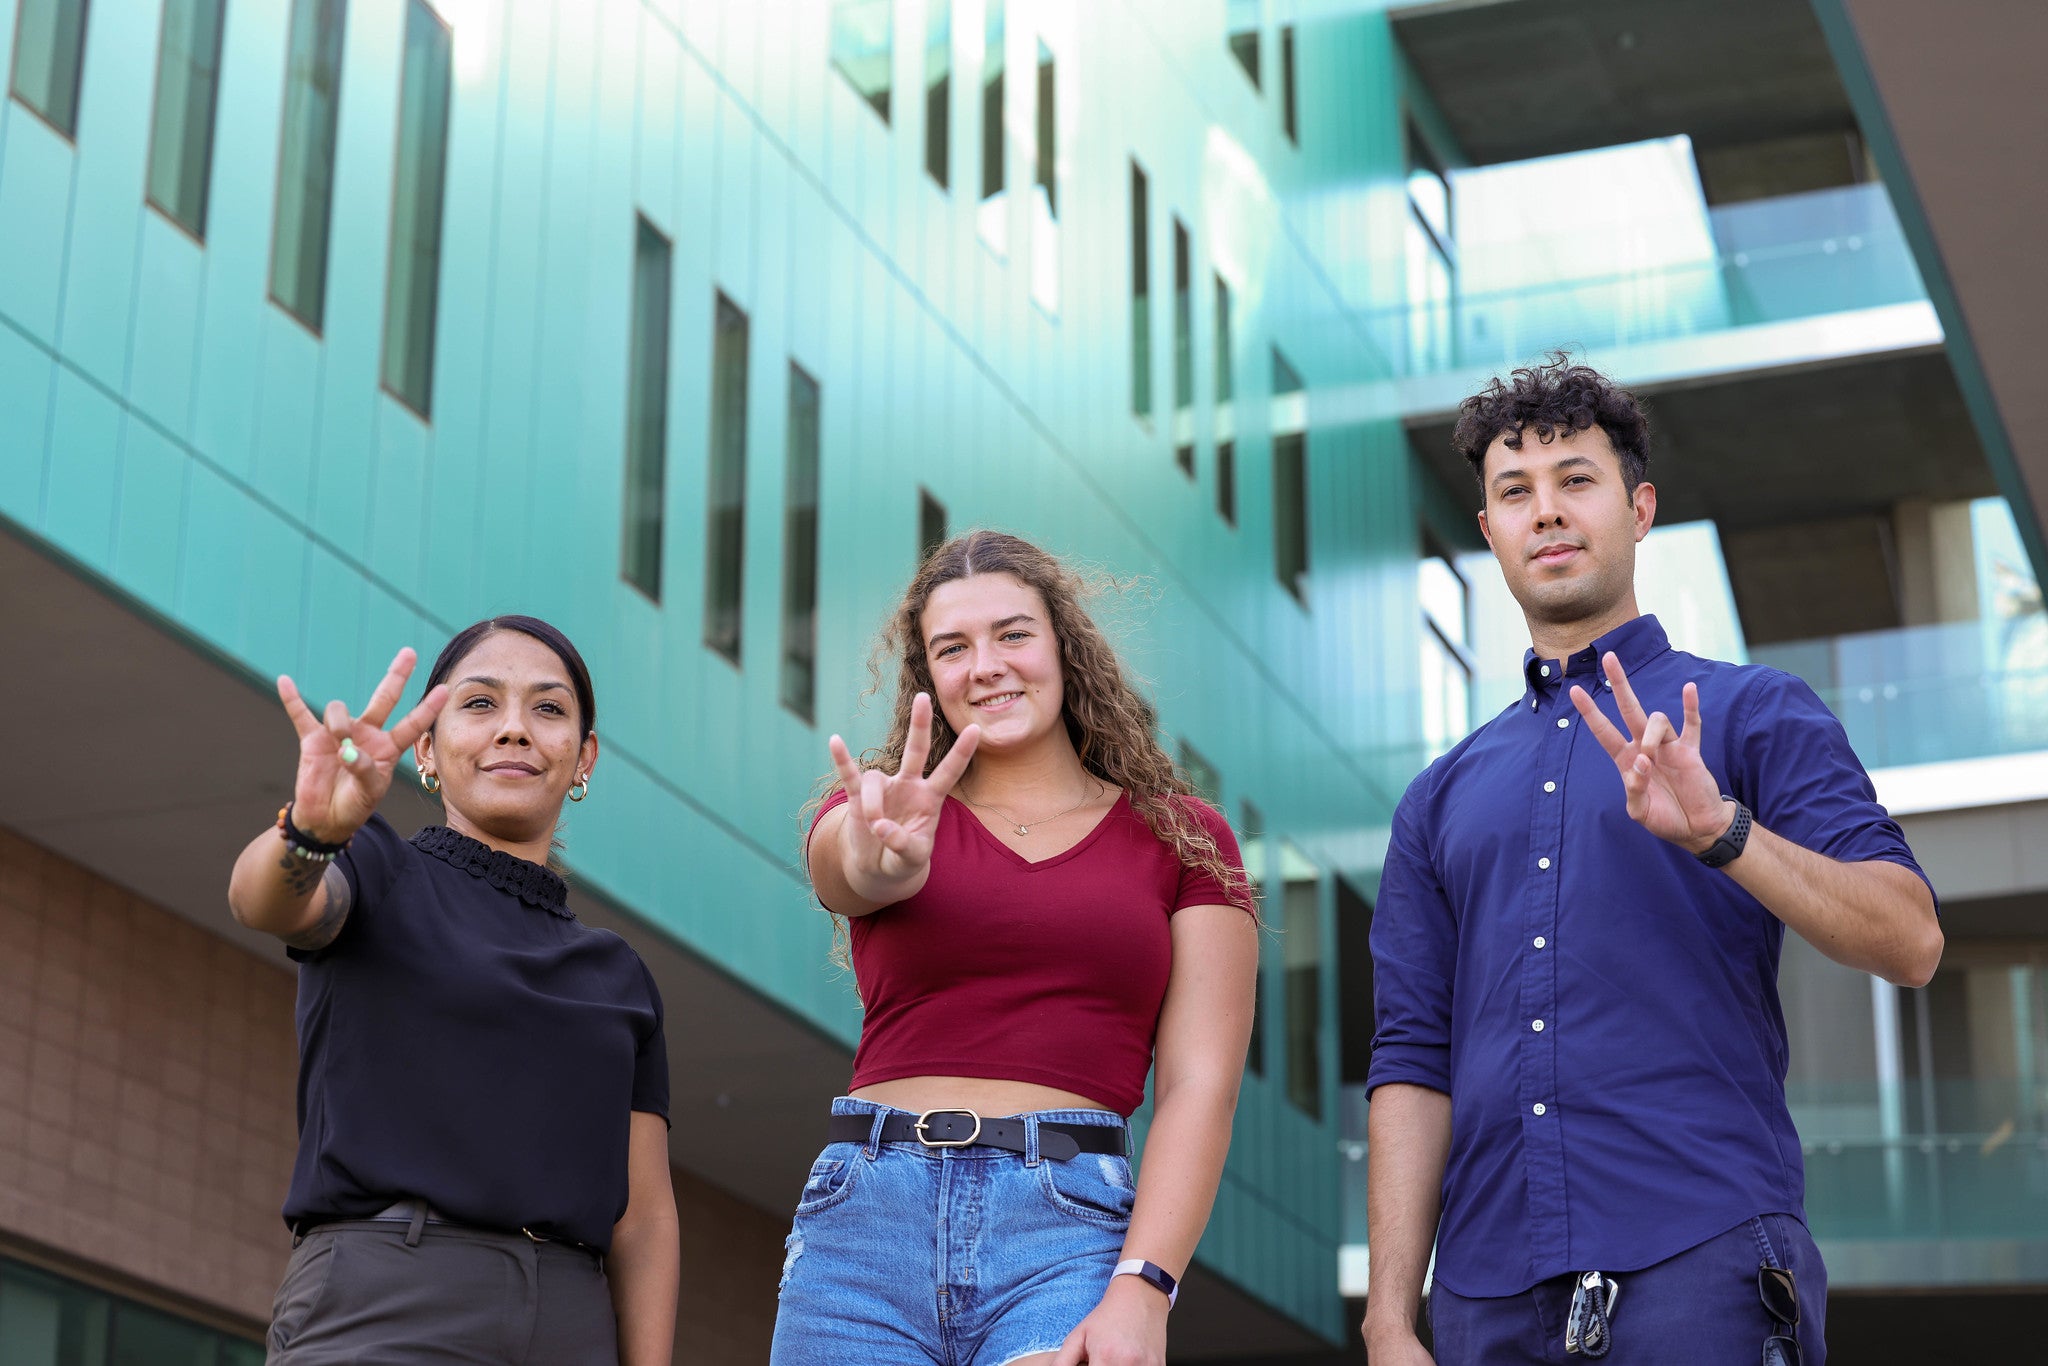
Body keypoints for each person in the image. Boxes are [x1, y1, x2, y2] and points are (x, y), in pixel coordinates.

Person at [1361, 357, 1942, 1366]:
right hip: (1481, 1297)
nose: (1545, 512)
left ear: (1638, 509)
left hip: (1701, 1259)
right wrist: (1385, 1316)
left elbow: (1910, 939)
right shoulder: (1437, 797)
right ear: (1489, 530)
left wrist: (1723, 833)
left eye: (1574, 481)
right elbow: (1411, 1060)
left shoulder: (1755, 711)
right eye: (1513, 493)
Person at [771, 530, 1260, 1366]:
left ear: (1065, 648)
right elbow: (851, 872)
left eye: (1012, 634)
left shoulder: (1185, 838)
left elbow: (1198, 1088)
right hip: (864, 1224)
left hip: (1065, 1234)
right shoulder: (886, 810)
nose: (985, 665)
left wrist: (1145, 1292)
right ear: (930, 680)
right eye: (952, 648)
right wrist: (879, 852)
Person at [227, 616, 679, 1365]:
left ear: (583, 758)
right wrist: (310, 832)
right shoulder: (375, 869)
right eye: (479, 704)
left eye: (548, 708)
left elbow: (645, 1218)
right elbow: (265, 902)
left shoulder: (618, 972)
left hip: (572, 1322)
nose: (513, 730)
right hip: (389, 1301)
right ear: (428, 750)